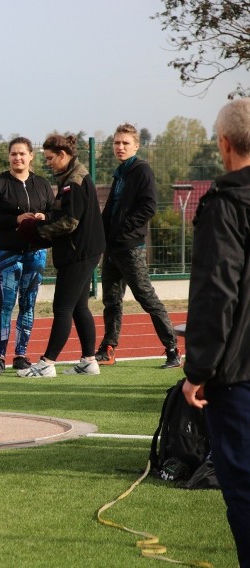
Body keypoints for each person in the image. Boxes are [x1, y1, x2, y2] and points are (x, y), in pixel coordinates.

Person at [182, 97, 250, 567]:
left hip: (240, 373)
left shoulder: (224, 204)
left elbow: (216, 293)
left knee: (245, 490)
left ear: (223, 145)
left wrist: (198, 370)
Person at [16, 134, 106, 378]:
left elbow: (69, 222)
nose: (48, 162)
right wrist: (46, 219)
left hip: (79, 252)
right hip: (86, 250)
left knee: (63, 307)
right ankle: (89, 361)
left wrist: (37, 231)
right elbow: (66, 215)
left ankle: (47, 363)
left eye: (50, 158)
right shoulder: (72, 176)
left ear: (63, 155)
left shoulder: (73, 181)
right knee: (79, 308)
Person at [95, 123, 180, 368]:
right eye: (116, 143)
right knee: (111, 299)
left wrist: (123, 229)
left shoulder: (142, 171)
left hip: (130, 247)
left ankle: (172, 350)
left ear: (136, 146)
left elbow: (149, 206)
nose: (120, 147)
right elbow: (110, 209)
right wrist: (100, 234)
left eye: (125, 143)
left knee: (147, 298)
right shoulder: (120, 172)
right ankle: (108, 349)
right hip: (112, 248)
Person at [0, 137, 55, 375]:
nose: (17, 158)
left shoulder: (42, 184)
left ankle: (21, 354)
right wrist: (15, 220)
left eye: (22, 153)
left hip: (36, 253)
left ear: (31, 156)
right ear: (9, 157)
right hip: (7, 253)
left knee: (28, 304)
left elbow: (55, 212)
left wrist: (44, 217)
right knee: (6, 304)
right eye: (13, 154)